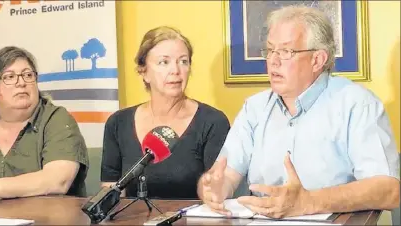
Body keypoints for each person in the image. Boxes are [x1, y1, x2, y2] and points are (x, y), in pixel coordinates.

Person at [198, 5, 400, 218]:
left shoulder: (358, 105)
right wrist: (215, 188)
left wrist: (309, 202)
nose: (273, 61)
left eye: (286, 51)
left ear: (317, 60)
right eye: (270, 50)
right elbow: (226, 175)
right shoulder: (254, 109)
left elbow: (388, 190)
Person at [101, 26, 230, 199]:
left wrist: (213, 188)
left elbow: (217, 190)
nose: (176, 70)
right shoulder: (118, 123)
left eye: (183, 61)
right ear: (144, 72)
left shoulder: (213, 122)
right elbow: (110, 194)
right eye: (164, 62)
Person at [0, 46, 89, 199]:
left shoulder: (56, 119)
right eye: (10, 77)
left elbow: (57, 180)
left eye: (28, 75)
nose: (21, 82)